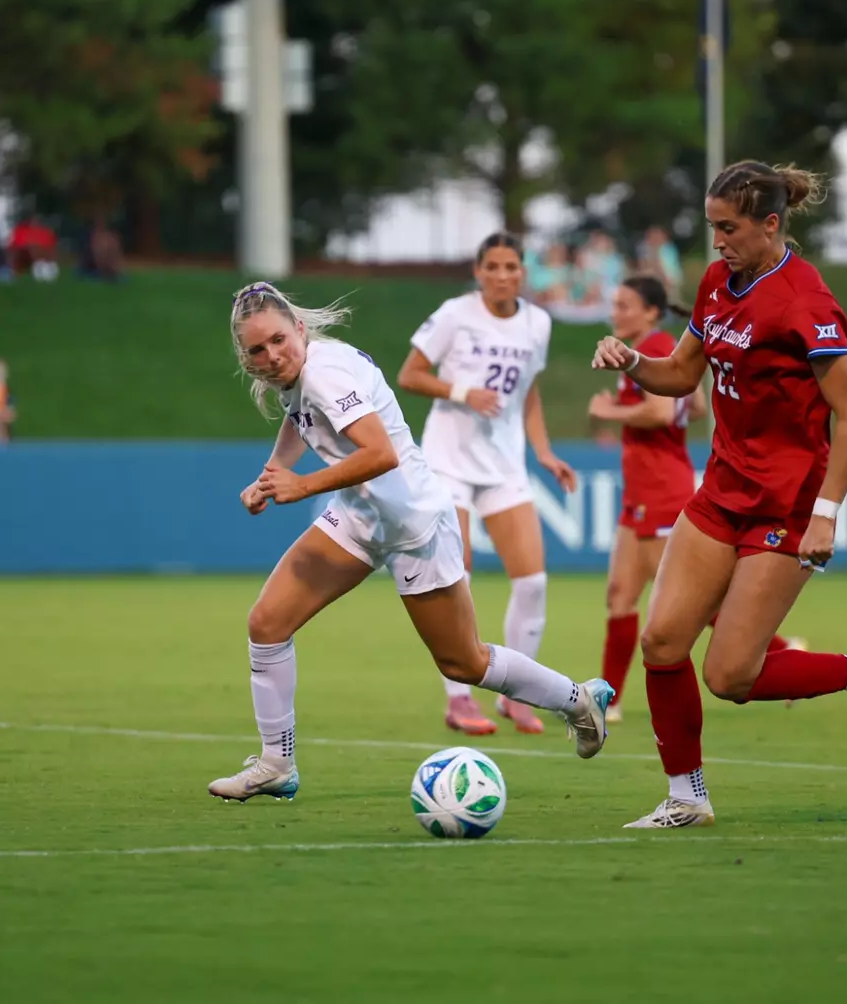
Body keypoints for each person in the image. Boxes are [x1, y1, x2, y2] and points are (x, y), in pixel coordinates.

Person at [209, 281, 613, 801]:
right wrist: (270, 477)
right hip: (360, 516)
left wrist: (302, 486)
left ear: (300, 330)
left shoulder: (326, 373)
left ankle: (578, 699)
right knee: (267, 623)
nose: (271, 356)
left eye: (278, 341)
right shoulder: (299, 374)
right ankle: (276, 764)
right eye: (257, 350)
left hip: (414, 523)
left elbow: (381, 454)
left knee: (464, 663)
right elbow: (298, 419)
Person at [590, 160, 847, 830]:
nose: (718, 241)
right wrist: (632, 361)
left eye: (729, 228)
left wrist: (826, 514)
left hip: (786, 506)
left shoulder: (805, 303)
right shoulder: (716, 282)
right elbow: (681, 374)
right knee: (662, 642)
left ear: (770, 224)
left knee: (729, 676)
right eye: (712, 227)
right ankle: (687, 798)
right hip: (721, 491)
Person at [398, 233, 579, 737]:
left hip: (504, 465)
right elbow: (410, 374)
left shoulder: (537, 323)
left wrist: (544, 452)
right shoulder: (455, 314)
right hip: (448, 462)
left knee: (533, 581)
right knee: (455, 577)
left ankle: (517, 695)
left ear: (523, 272)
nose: (502, 275)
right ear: (478, 272)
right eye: (493, 266)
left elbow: (528, 393)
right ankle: (458, 699)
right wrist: (462, 391)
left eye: (511, 267)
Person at [586, 276, 704, 721]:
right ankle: (607, 702)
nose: (616, 312)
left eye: (625, 305)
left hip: (662, 490)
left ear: (651, 312)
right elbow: (696, 407)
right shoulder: (662, 350)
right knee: (620, 594)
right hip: (640, 493)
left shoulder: (654, 347)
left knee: (684, 599)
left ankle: (781, 650)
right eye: (614, 304)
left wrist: (609, 411)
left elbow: (659, 412)